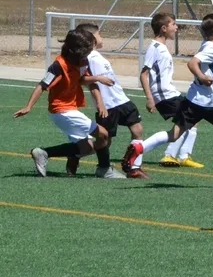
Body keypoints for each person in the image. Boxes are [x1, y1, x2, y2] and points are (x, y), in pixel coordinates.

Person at [123, 13, 213, 173]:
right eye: (173, 24)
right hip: (207, 101)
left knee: (175, 133)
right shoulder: (211, 47)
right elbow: (193, 63)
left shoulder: (206, 45)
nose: (176, 27)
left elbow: (203, 67)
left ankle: (142, 149)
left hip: (193, 100)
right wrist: (202, 77)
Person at [13, 28, 113, 178]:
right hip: (61, 110)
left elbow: (82, 79)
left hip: (70, 109)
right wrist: (28, 107)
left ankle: (44, 153)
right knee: (103, 135)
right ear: (77, 50)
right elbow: (42, 85)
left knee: (86, 148)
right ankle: (105, 170)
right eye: (88, 48)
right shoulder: (58, 65)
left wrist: (97, 79)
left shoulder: (82, 62)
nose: (90, 51)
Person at [75, 23, 146, 179]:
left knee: (138, 130)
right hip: (107, 105)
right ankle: (78, 154)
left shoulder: (97, 55)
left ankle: (134, 168)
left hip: (122, 99)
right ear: (92, 38)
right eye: (100, 34)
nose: (102, 37)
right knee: (105, 141)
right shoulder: (86, 58)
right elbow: (81, 80)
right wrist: (99, 90)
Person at [139, 13, 203, 170]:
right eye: (173, 24)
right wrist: (149, 98)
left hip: (169, 92)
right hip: (164, 95)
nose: (176, 27)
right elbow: (143, 74)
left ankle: (182, 155)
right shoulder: (154, 48)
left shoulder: (162, 47)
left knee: (193, 118)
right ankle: (141, 150)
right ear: (163, 28)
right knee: (188, 119)